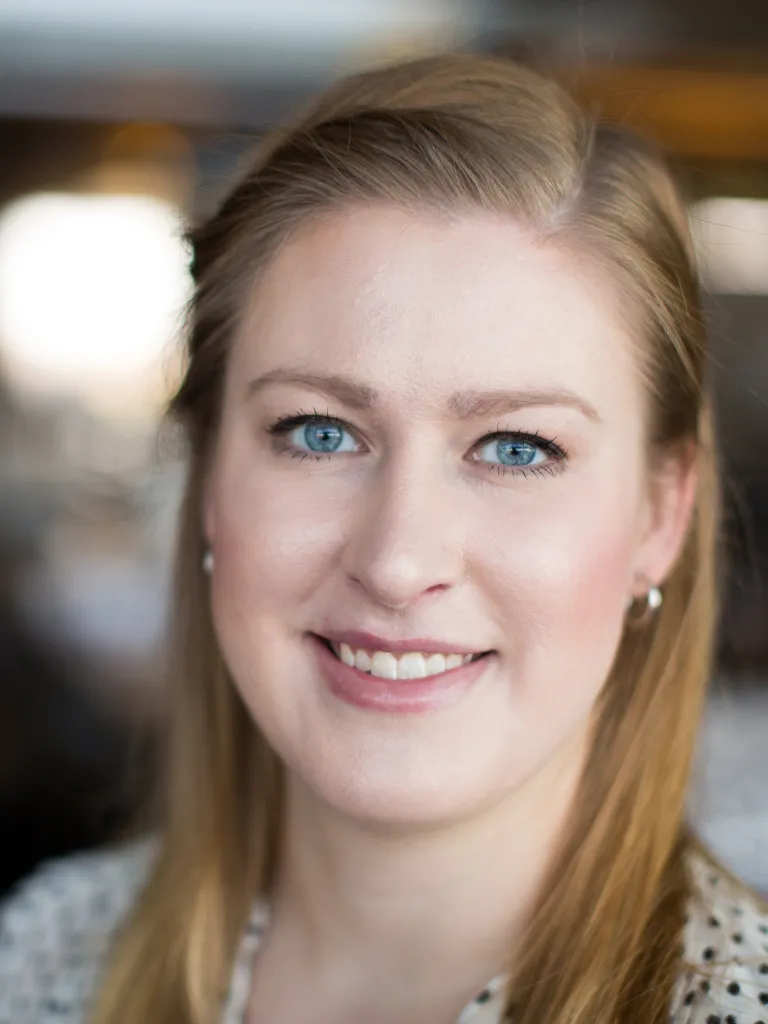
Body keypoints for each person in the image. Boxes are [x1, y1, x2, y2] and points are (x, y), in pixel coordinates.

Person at [1, 50, 766, 1024]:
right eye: (319, 432)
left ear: (661, 515)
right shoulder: (41, 955)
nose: (399, 561)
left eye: (518, 448)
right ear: (204, 481)